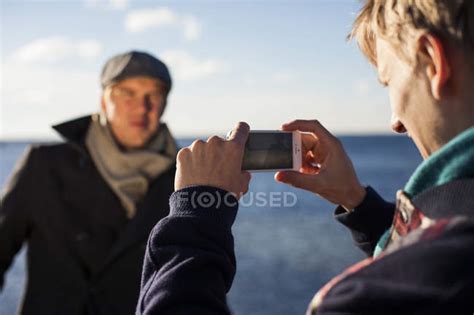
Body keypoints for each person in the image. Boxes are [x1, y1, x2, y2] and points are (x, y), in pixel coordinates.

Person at [135, 0, 474, 314]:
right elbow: (424, 252)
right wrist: (357, 203)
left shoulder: (372, 298)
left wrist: (195, 213)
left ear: (432, 61)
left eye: (389, 83)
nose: (395, 122)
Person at [0, 51, 178, 315]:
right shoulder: (45, 164)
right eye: (127, 93)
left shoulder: (183, 178)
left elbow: (199, 275)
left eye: (154, 95)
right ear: (104, 101)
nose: (142, 107)